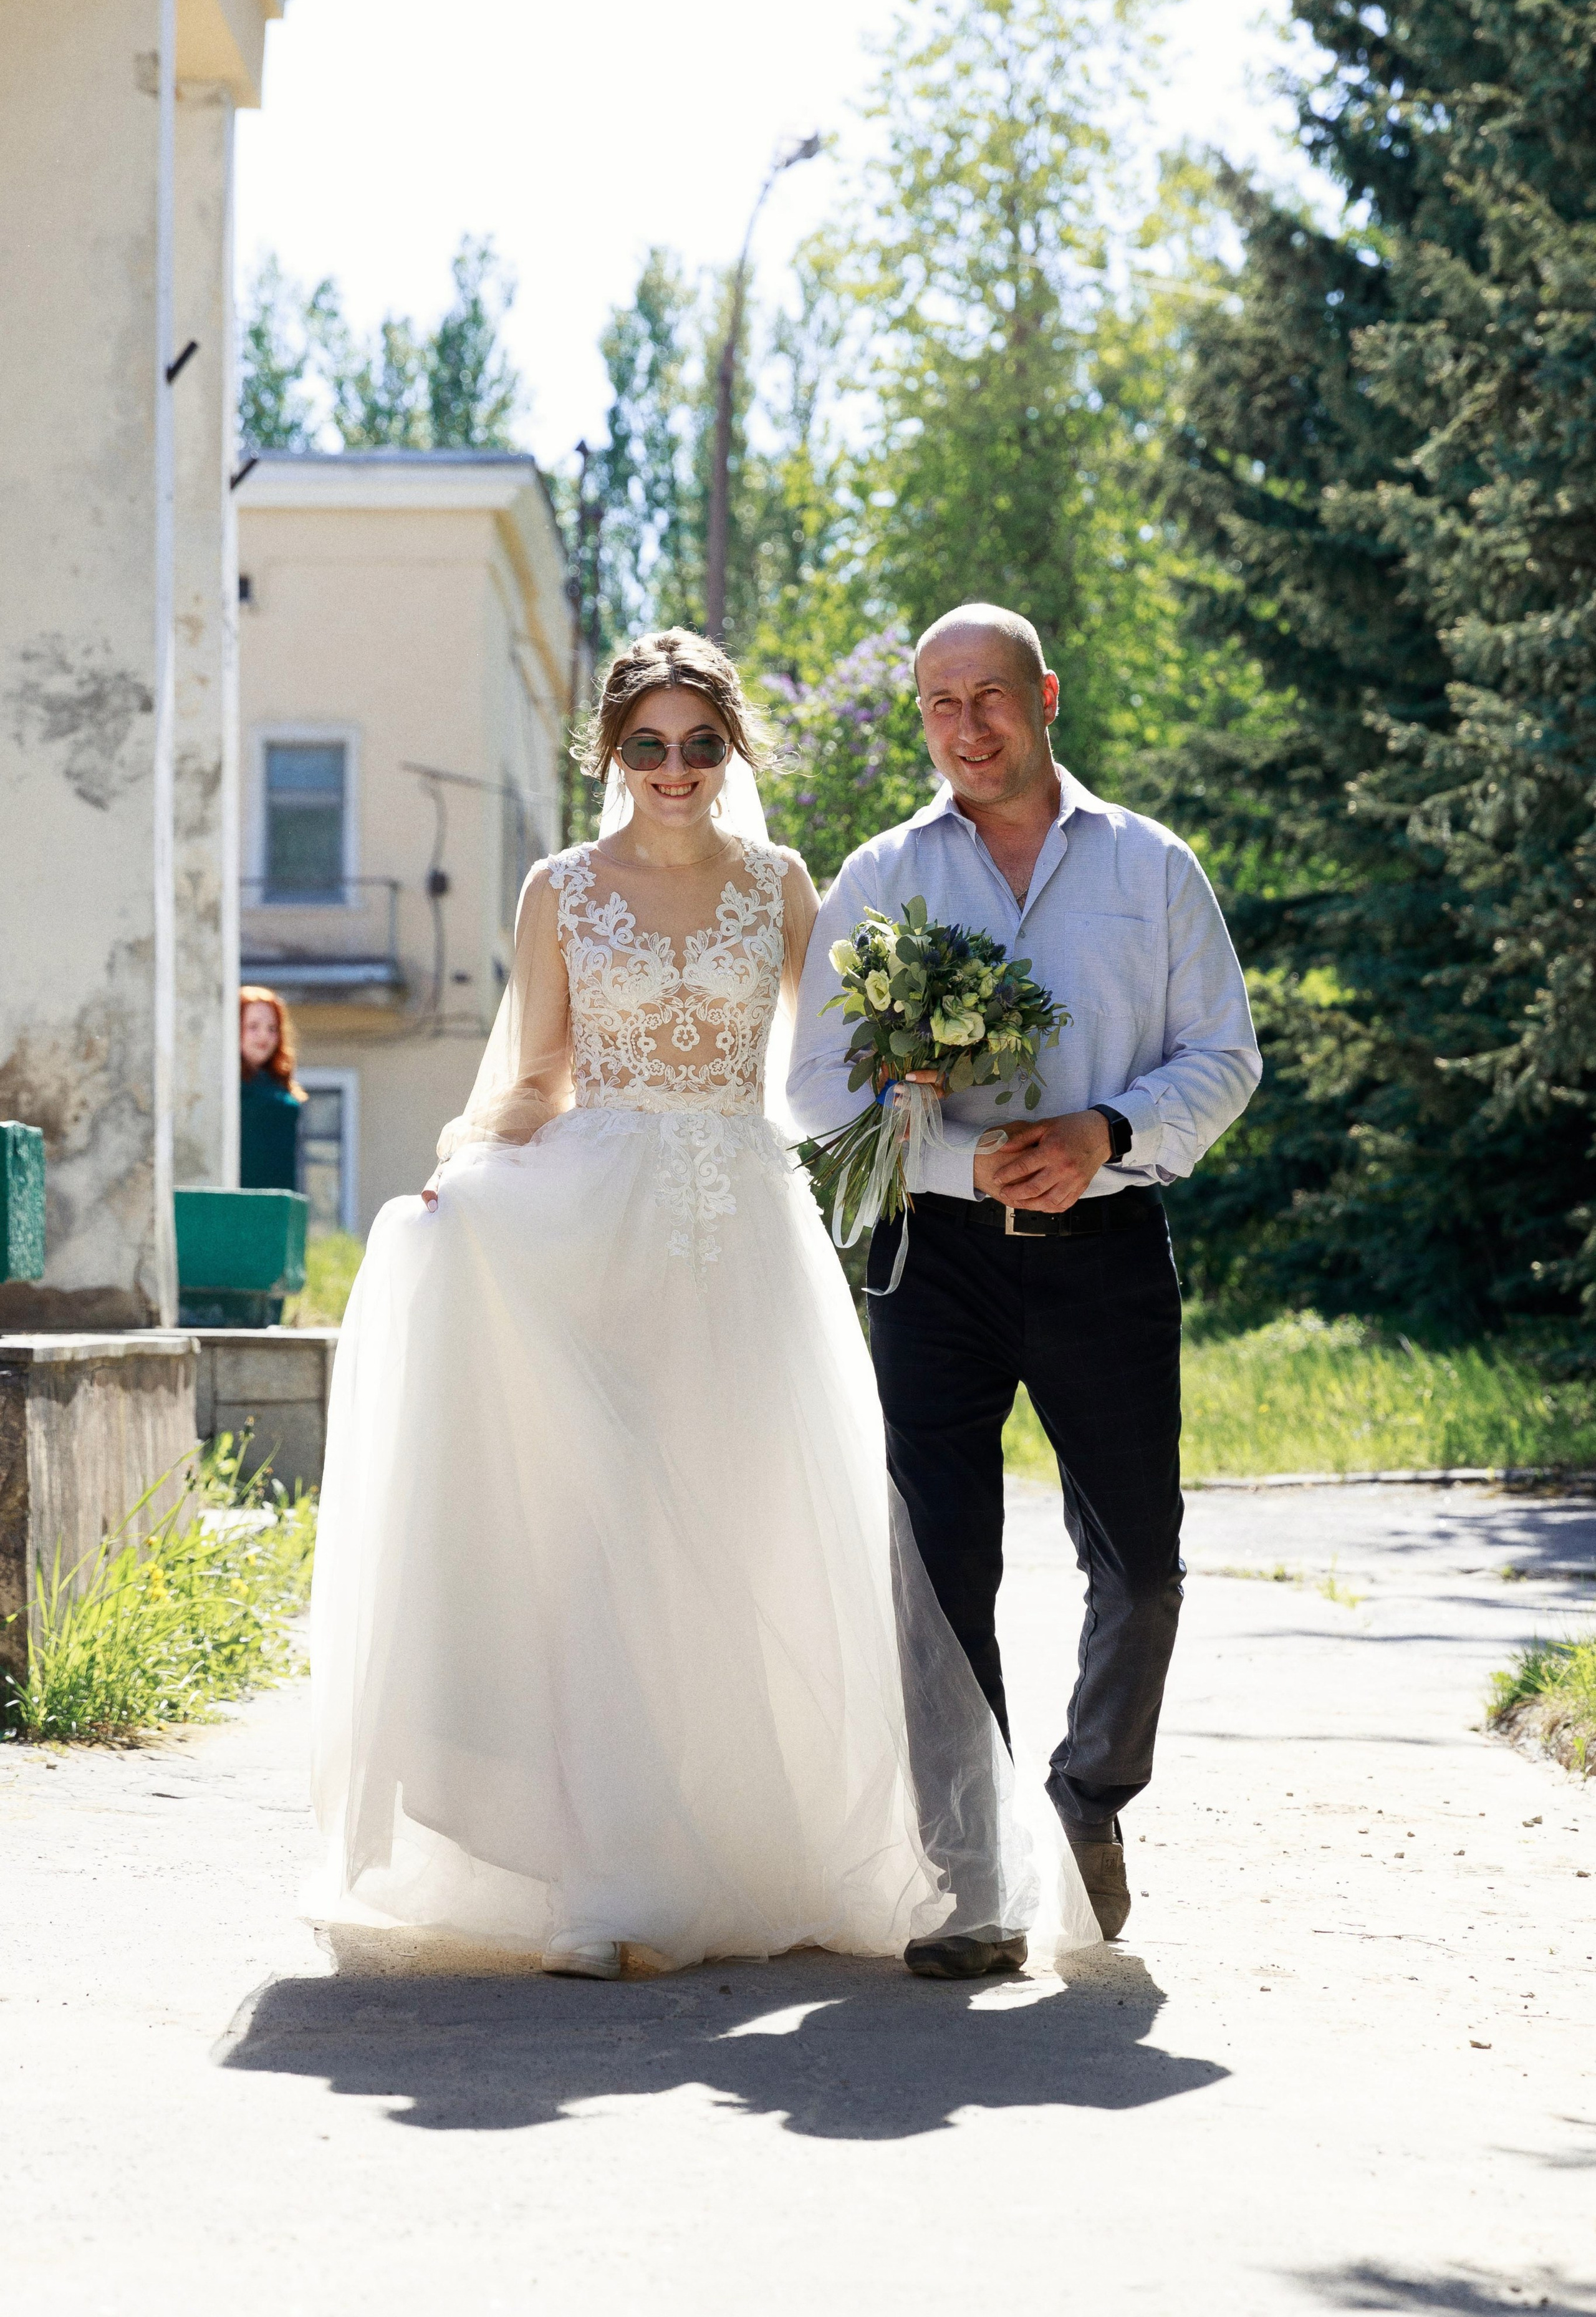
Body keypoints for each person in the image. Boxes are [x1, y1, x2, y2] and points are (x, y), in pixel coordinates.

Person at [308, 627, 1094, 1981]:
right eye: (646, 746)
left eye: (699, 743)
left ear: (732, 751)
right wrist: (462, 1167)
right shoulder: (559, 888)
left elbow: (839, 1056)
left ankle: (770, 1850)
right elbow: (541, 1070)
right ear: (612, 756)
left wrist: (924, 1063)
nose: (674, 769)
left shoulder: (781, 884)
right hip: (591, 1221)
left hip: (742, 1228)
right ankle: (608, 1882)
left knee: (751, 1528)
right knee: (604, 1544)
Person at [787, 602, 1261, 1957]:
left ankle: (1085, 1796)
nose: (962, 726)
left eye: (986, 695)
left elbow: (1221, 1056)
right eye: (936, 704)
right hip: (929, 1262)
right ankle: (970, 1877)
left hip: (1105, 1254)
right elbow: (818, 1088)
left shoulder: (1150, 867)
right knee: (938, 1567)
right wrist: (943, 1153)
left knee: (1141, 1564)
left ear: (1042, 694)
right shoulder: (881, 876)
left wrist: (1100, 1136)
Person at [239, 985, 305, 1190]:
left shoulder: (280, 1085)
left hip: (280, 1202)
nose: (264, 1037)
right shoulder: (226, 1088)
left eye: (272, 1029)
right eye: (253, 1027)